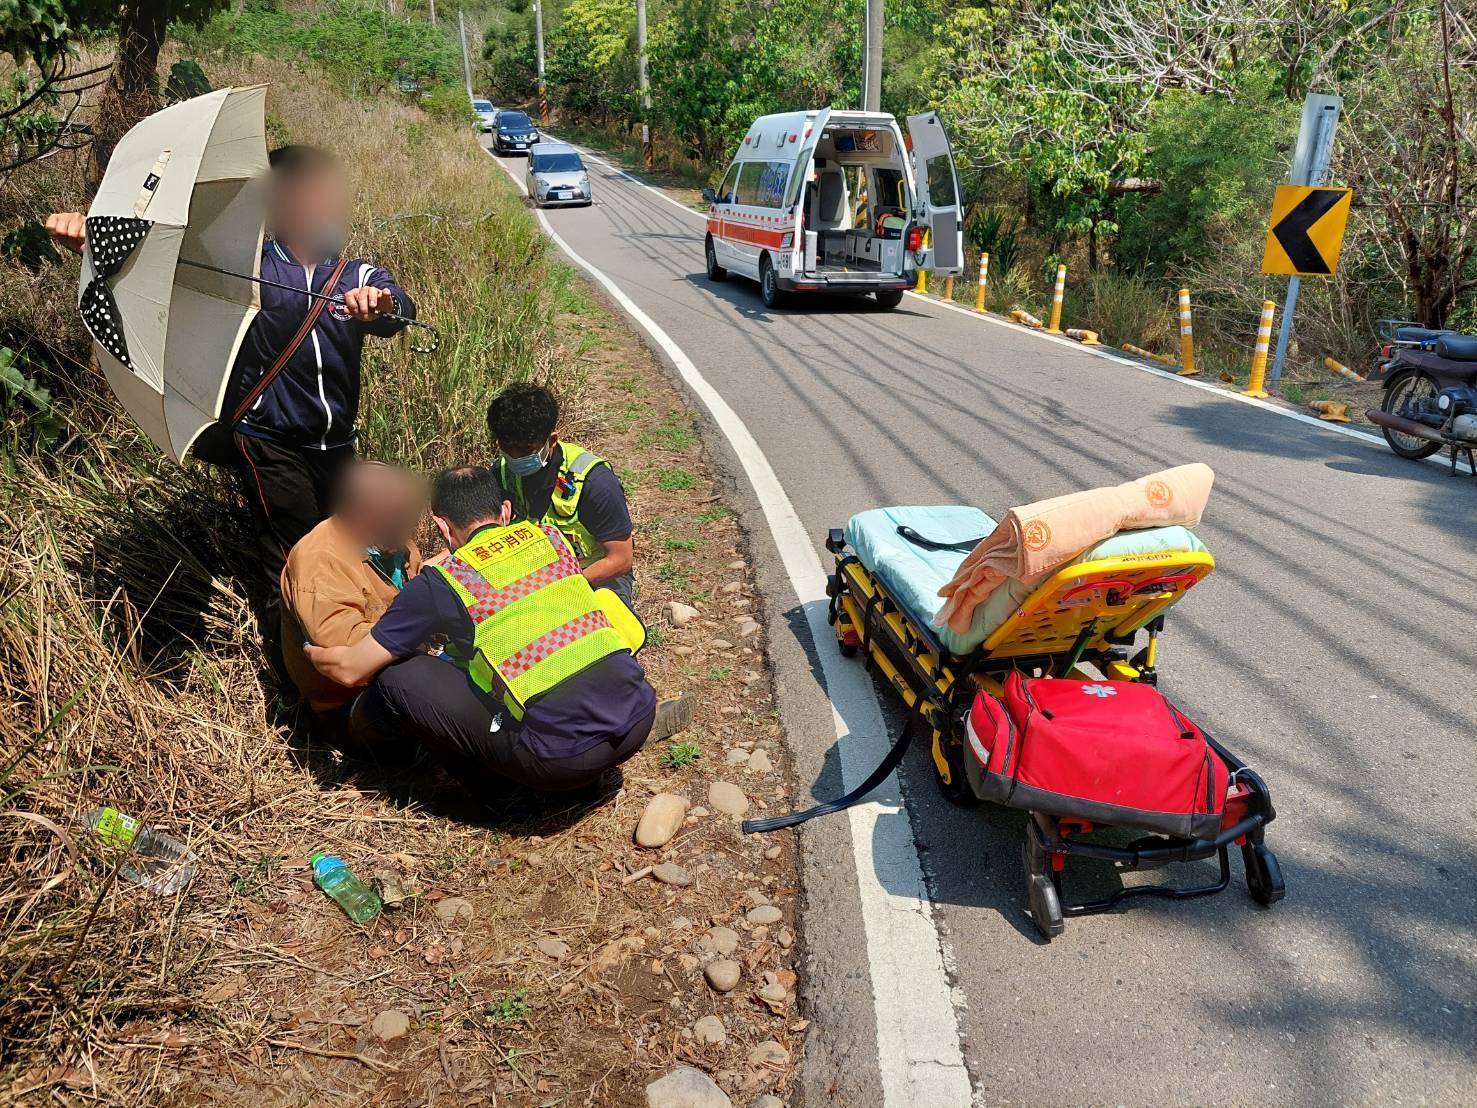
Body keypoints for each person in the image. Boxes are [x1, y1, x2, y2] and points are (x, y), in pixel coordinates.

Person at [46, 144, 416, 605]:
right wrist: (91, 240)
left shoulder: (354, 274)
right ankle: (294, 647)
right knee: (296, 563)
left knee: (349, 549)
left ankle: (354, 634)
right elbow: (161, 269)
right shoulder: (245, 269)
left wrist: (382, 304)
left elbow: (399, 308)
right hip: (272, 443)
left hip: (337, 444)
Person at [305, 465, 688, 795]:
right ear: (505, 510)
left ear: (441, 525)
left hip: (561, 761)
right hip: (637, 718)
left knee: (397, 677)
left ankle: (494, 791)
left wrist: (314, 652)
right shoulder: (550, 538)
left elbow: (351, 669)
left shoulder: (443, 582)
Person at [279, 461, 426, 719]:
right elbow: (351, 652)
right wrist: (422, 621)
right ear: (359, 513)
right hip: (349, 702)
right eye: (395, 518)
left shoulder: (391, 538)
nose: (405, 528)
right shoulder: (319, 560)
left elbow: (415, 587)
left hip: (400, 665)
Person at [486, 383, 635, 607]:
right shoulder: (501, 473)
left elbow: (620, 559)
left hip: (593, 577)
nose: (515, 458)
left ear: (552, 440)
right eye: (508, 448)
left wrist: (560, 588)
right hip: (530, 576)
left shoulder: (595, 483)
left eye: (525, 450)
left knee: (606, 623)